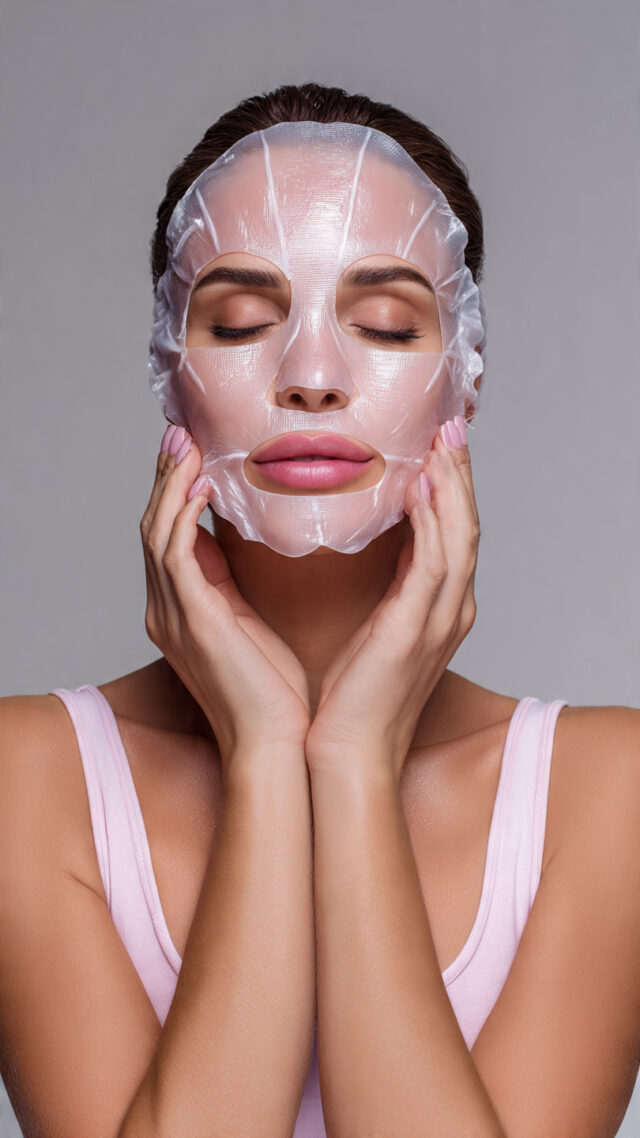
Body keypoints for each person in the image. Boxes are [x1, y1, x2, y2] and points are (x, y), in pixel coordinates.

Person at [1, 82, 639, 1138]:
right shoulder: (28, 780)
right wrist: (264, 751)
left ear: (465, 375)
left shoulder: (607, 795)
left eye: (384, 323)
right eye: (241, 322)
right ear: (169, 371)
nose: (310, 375)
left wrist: (349, 759)